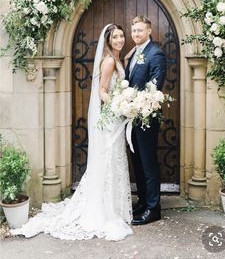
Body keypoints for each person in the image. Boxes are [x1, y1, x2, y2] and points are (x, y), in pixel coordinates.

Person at [11, 24, 133, 241]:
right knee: (108, 162)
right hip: (112, 118)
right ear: (108, 40)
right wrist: (120, 105)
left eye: (122, 36)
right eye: (115, 37)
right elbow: (102, 92)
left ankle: (114, 206)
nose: (120, 40)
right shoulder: (107, 61)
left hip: (116, 120)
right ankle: (104, 209)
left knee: (114, 161)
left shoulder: (117, 59)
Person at [125, 15, 167, 226]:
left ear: (149, 31)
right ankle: (143, 202)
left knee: (148, 163)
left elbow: (154, 88)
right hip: (133, 118)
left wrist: (136, 105)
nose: (136, 34)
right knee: (138, 163)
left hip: (146, 119)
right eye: (134, 31)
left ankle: (154, 208)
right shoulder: (134, 54)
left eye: (140, 31)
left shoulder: (155, 54)